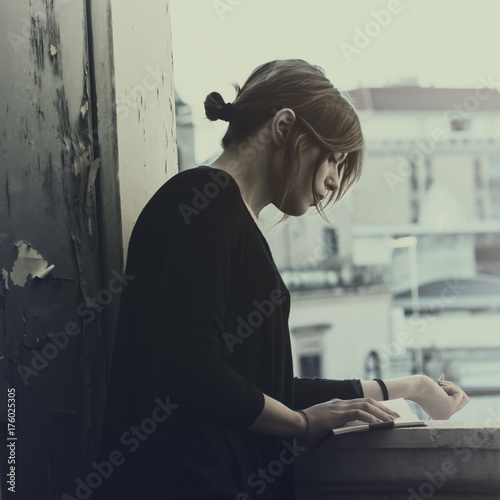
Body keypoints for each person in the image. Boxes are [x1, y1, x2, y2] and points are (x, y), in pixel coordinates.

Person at [95, 59, 469, 500]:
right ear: (285, 126)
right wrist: (302, 424)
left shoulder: (222, 211)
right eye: (331, 157)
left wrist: (409, 388)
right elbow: (190, 365)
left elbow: (263, 387)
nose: (331, 181)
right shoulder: (206, 203)